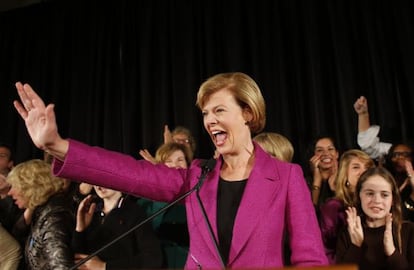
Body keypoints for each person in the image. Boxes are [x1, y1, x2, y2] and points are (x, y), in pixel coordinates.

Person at [13, 72, 328, 268]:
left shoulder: (287, 177)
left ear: (248, 113)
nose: (209, 121)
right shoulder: (196, 176)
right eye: (205, 113)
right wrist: (56, 144)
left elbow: (310, 259)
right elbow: (129, 173)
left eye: (219, 110)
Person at [336, 167, 414, 269]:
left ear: (393, 200)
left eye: (384, 195)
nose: (377, 200)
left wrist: (391, 251)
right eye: (370, 193)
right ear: (359, 196)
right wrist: (356, 245)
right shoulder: (348, 232)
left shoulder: (409, 231)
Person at [72, 186, 163, 269]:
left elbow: (154, 258)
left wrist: (104, 267)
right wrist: (80, 229)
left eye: (104, 178)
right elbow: (77, 259)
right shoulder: (90, 211)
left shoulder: (134, 212)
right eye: (95, 180)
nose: (99, 186)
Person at [354, 96, 414, 222]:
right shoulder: (385, 180)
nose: (400, 158)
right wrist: (363, 115)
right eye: (396, 155)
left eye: (405, 154)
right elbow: (368, 145)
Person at [6, 159, 74, 270]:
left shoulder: (54, 217)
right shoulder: (43, 210)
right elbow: (17, 232)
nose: (10, 192)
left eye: (15, 186)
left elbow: (61, 266)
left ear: (31, 186)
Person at [138, 142, 192, 268]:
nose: (175, 165)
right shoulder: (145, 202)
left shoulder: (195, 199)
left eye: (180, 160)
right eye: (169, 161)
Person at [319, 149, 375, 264]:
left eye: (367, 167)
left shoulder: (374, 206)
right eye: (356, 167)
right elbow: (325, 249)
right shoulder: (333, 207)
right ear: (345, 175)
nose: (363, 172)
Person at [307, 136, 339, 206]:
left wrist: (334, 187)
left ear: (337, 154)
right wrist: (317, 182)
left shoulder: (346, 177)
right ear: (312, 157)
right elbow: (309, 213)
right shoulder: (304, 182)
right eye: (320, 150)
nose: (326, 153)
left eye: (330, 149)